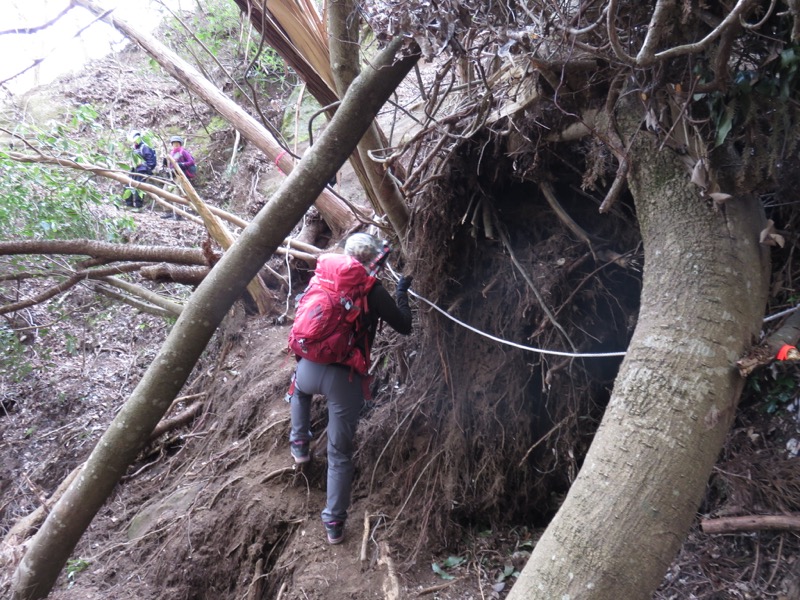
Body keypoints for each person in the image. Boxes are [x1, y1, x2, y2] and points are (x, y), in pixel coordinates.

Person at [288, 233, 413, 545]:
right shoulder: (372, 289)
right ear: (373, 261)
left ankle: (299, 444)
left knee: (300, 393)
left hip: (307, 367)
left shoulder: (325, 274)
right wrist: (401, 293)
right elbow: (405, 326)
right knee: (339, 454)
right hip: (343, 378)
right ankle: (333, 523)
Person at [125, 130, 157, 208]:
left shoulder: (144, 147)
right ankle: (129, 204)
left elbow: (151, 162)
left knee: (139, 187)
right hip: (134, 170)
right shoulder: (134, 148)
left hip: (142, 171)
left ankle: (138, 205)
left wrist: (143, 165)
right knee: (128, 185)